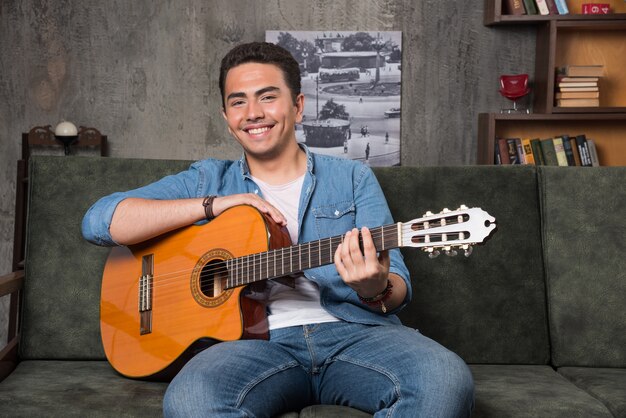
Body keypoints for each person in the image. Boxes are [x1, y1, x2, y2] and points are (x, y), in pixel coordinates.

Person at [82, 42, 473, 417]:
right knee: (190, 399)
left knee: (444, 380)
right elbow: (100, 220)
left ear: (298, 106)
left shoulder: (352, 177)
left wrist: (374, 288)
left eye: (267, 97)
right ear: (226, 117)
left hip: (355, 334)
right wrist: (217, 204)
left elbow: (398, 287)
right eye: (239, 101)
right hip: (249, 345)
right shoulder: (207, 180)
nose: (253, 112)